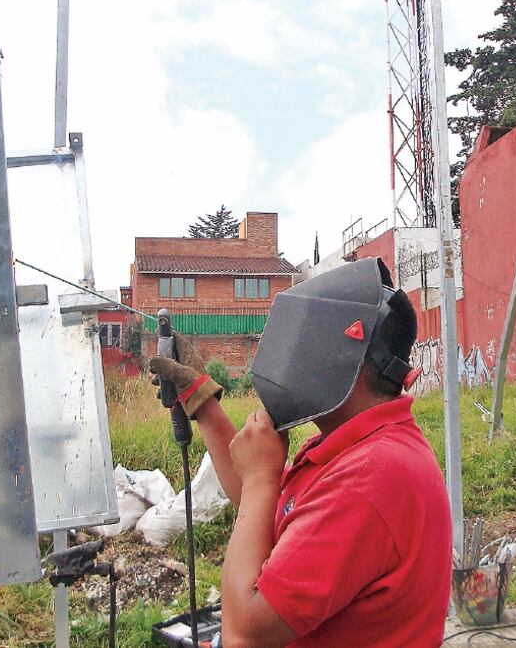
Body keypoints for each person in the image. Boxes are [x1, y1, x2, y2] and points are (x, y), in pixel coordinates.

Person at [149, 258, 452, 647]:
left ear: (350, 357)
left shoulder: (368, 479)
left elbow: (245, 633)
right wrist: (203, 402)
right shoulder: (358, 445)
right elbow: (269, 516)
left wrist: (261, 477)